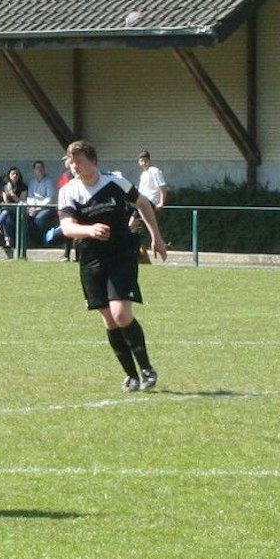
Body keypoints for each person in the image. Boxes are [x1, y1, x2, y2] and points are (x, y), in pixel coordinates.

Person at [57, 140, 168, 392]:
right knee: (108, 319)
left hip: (121, 254)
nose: (75, 166)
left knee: (120, 314)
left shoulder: (114, 183)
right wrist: (89, 229)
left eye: (79, 161)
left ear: (93, 161)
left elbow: (143, 204)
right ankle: (131, 376)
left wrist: (156, 237)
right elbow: (66, 227)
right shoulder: (69, 190)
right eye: (71, 162)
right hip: (91, 259)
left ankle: (147, 368)